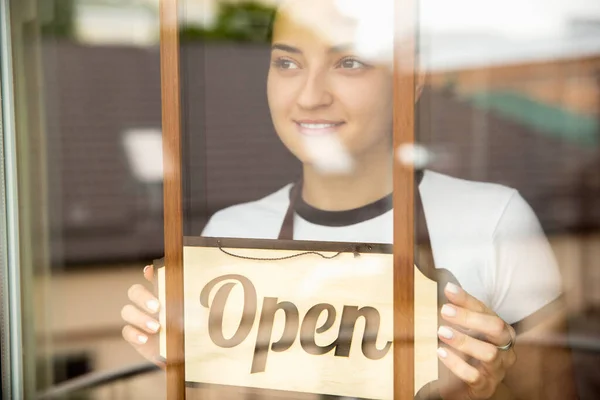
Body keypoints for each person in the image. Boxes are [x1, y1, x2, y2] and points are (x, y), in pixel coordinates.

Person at [121, 1, 576, 398]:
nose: (311, 95)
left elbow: (555, 393)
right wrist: (178, 369)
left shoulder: (495, 220)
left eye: (349, 63)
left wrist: (492, 387)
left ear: (411, 80)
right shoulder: (228, 236)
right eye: (287, 63)